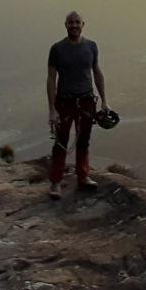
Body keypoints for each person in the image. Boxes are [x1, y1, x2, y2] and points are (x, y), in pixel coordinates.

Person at [46, 11, 109, 199]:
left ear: (83, 24)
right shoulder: (57, 49)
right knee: (61, 142)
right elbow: (51, 79)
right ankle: (56, 183)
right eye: (70, 23)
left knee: (83, 140)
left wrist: (104, 101)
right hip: (64, 101)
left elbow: (97, 72)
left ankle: (83, 176)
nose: (74, 26)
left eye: (77, 22)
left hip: (86, 100)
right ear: (65, 24)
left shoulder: (91, 46)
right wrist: (51, 109)